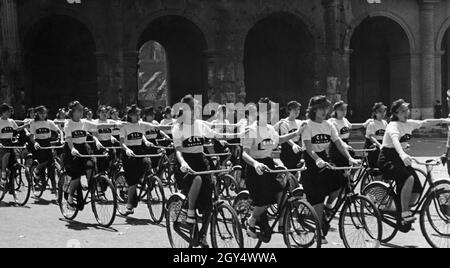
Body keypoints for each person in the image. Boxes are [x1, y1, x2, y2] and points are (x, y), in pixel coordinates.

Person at [173, 95, 243, 247]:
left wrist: (239, 135)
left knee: (209, 204)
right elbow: (178, 150)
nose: (195, 111)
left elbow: (218, 135)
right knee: (197, 179)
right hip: (185, 162)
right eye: (192, 108)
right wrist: (183, 163)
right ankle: (190, 213)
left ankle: (203, 236)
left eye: (196, 108)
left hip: (200, 160)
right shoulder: (178, 127)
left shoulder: (200, 124)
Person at [242, 97, 307, 239]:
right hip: (255, 169)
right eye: (268, 112)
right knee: (264, 202)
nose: (271, 115)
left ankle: (282, 224)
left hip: (269, 165)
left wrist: (297, 133)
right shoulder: (250, 130)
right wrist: (255, 163)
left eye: (271, 112)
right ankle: (251, 220)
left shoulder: (271, 129)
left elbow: (280, 139)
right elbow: (244, 154)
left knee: (282, 194)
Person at [378, 99, 448, 225]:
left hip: (400, 158)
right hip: (387, 157)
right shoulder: (393, 125)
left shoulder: (409, 123)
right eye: (403, 111)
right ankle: (404, 212)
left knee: (417, 188)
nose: (406, 113)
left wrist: (444, 121)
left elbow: (425, 122)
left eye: (407, 110)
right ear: (396, 113)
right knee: (408, 178)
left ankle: (399, 208)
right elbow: (395, 141)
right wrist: (403, 154)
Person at [301, 96, 359, 244]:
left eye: (326, 108)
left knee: (340, 183)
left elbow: (339, 143)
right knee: (318, 197)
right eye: (321, 108)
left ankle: (328, 207)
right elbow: (308, 148)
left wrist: (350, 158)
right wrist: (317, 160)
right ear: (313, 109)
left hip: (324, 160)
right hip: (311, 161)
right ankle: (319, 230)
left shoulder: (328, 125)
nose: (324, 111)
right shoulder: (307, 125)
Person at [63, 101, 119, 211]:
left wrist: (114, 125)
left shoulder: (84, 122)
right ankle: (69, 199)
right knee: (76, 175)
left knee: (91, 166)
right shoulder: (68, 123)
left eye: (81, 110)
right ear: (72, 112)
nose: (81, 112)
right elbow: (68, 138)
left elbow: (98, 125)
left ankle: (94, 188)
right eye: (79, 110)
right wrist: (72, 148)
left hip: (83, 148)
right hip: (71, 150)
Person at [120, 105, 165, 216]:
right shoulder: (124, 126)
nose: (139, 116)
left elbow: (153, 129)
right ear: (130, 115)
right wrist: (127, 150)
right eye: (136, 114)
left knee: (147, 162)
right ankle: (129, 206)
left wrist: (146, 142)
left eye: (139, 114)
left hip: (139, 150)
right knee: (132, 182)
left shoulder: (141, 124)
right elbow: (121, 143)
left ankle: (143, 182)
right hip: (128, 153)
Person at [29, 106, 63, 194]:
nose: (43, 115)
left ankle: (55, 189)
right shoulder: (34, 123)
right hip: (38, 144)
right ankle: (36, 170)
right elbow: (32, 137)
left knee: (51, 165)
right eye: (41, 113)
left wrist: (61, 137)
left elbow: (59, 130)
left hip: (47, 143)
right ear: (37, 114)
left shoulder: (49, 122)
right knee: (43, 163)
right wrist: (35, 143)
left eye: (44, 113)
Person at [0, 103, 31, 186]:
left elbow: (17, 129)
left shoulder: (11, 121)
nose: (9, 113)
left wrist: (26, 125)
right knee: (6, 154)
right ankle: (3, 174)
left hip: (9, 142)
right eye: (7, 112)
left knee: (13, 163)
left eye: (10, 112)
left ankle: (10, 185)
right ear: (2, 112)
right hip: (1, 143)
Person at [274, 101, 304, 169]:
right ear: (289, 110)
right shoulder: (284, 122)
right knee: (289, 171)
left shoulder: (300, 122)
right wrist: (293, 145)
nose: (297, 111)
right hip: (287, 148)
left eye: (298, 109)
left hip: (298, 148)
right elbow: (285, 136)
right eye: (295, 109)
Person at [365, 102, 388, 169]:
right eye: (380, 111)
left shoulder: (385, 123)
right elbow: (371, 137)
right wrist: (379, 145)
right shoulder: (372, 123)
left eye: (384, 111)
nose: (382, 113)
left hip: (382, 147)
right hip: (373, 147)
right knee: (377, 170)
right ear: (375, 113)